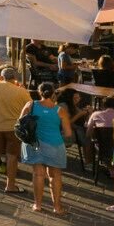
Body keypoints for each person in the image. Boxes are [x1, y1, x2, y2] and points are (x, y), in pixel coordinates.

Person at [0, 70, 31, 191]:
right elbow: (30, 107)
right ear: (15, 78)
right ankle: (10, 185)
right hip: (13, 127)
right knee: (12, 156)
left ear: (1, 77)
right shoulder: (22, 91)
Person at [22, 87, 68, 216]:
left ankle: (37, 205)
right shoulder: (60, 110)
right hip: (55, 145)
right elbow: (68, 132)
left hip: (34, 143)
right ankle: (57, 207)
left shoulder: (30, 105)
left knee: (38, 174)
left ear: (39, 92)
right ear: (53, 94)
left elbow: (20, 123)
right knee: (55, 176)